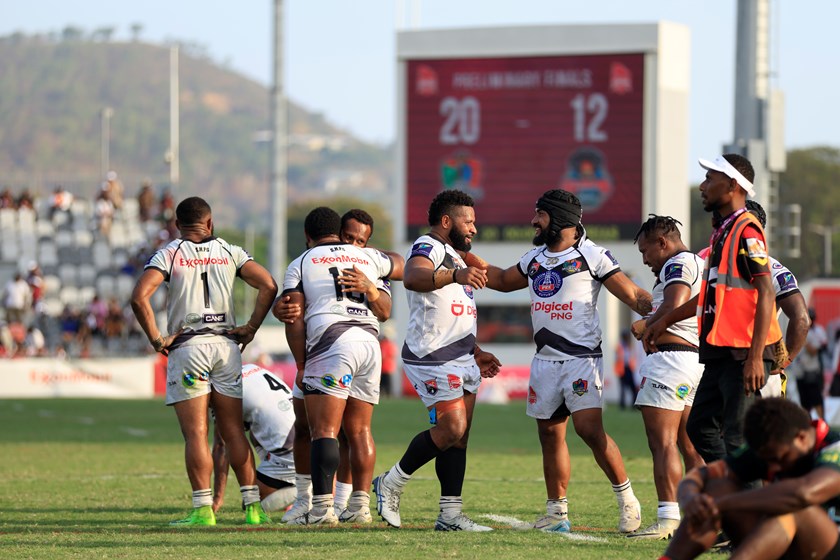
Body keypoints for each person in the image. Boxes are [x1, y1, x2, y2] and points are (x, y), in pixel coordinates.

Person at [481, 188, 649, 534]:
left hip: (581, 360)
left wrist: (666, 316)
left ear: (560, 219)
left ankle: (628, 502)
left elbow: (633, 295)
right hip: (545, 362)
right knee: (549, 435)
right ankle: (557, 514)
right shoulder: (534, 259)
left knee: (589, 430)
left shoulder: (593, 256)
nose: (533, 221)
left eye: (540, 215)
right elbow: (499, 280)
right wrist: (465, 258)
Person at [130, 196, 277, 527]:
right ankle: (253, 509)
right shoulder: (230, 251)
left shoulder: (171, 252)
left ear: (178, 226)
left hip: (189, 347)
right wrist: (251, 328)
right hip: (226, 347)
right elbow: (268, 284)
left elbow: (139, 297)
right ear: (210, 223)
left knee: (196, 433)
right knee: (233, 432)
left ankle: (202, 510)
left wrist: (156, 339)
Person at [373, 189, 501, 532]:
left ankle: (450, 515)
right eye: (468, 221)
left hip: (462, 355)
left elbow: (452, 314)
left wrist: (476, 350)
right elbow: (413, 278)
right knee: (451, 428)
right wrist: (457, 275)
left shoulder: (457, 256)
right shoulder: (428, 245)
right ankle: (391, 482)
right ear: (447, 221)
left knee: (459, 438)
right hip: (432, 358)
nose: (474, 228)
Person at [644, 154, 782, 463]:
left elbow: (766, 293)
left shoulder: (747, 231)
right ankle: (734, 488)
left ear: (732, 185)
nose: (702, 186)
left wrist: (756, 357)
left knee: (735, 436)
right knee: (700, 427)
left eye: (710, 179)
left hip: (742, 352)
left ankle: (751, 504)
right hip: (720, 352)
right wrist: (662, 321)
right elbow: (708, 296)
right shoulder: (723, 233)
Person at [273, 208, 404, 522]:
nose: (355, 244)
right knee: (359, 431)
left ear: (308, 237)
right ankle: (359, 508)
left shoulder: (302, 262)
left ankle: (321, 509)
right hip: (369, 343)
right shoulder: (370, 259)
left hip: (330, 343)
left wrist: (301, 364)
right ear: (340, 231)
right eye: (351, 238)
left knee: (324, 431)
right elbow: (400, 263)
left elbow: (293, 316)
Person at [662, 397, 840, 560]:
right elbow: (703, 475)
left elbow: (802, 493)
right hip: (797, 547)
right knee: (718, 487)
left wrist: (721, 504)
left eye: (779, 459)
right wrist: (689, 498)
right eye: (768, 460)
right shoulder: (775, 446)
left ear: (801, 438)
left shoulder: (835, 447)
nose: (772, 468)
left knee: (792, 507)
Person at [624, 215, 706, 540]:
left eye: (646, 251)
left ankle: (667, 518)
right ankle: (698, 516)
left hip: (671, 361)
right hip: (693, 362)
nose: (645, 260)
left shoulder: (677, 264)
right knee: (690, 447)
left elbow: (676, 302)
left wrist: (647, 324)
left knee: (663, 444)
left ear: (663, 242)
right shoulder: (695, 262)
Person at [212, 363, 296, 514]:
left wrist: (218, 497)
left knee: (251, 502)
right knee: (253, 429)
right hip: (308, 438)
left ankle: (306, 490)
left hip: (289, 450)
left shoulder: (221, 388)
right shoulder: (250, 367)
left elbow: (221, 446)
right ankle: (303, 479)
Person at [792, 308, 828, 419]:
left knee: (816, 397)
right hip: (799, 369)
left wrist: (803, 340)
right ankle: (807, 423)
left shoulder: (817, 331)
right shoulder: (798, 329)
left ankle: (822, 422)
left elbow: (814, 350)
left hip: (812, 370)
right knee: (804, 399)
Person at [615, 329, 640, 410]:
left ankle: (634, 405)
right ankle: (622, 405)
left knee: (633, 388)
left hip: (630, 368)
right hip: (622, 369)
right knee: (623, 388)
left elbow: (633, 357)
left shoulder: (630, 346)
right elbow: (617, 358)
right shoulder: (620, 346)